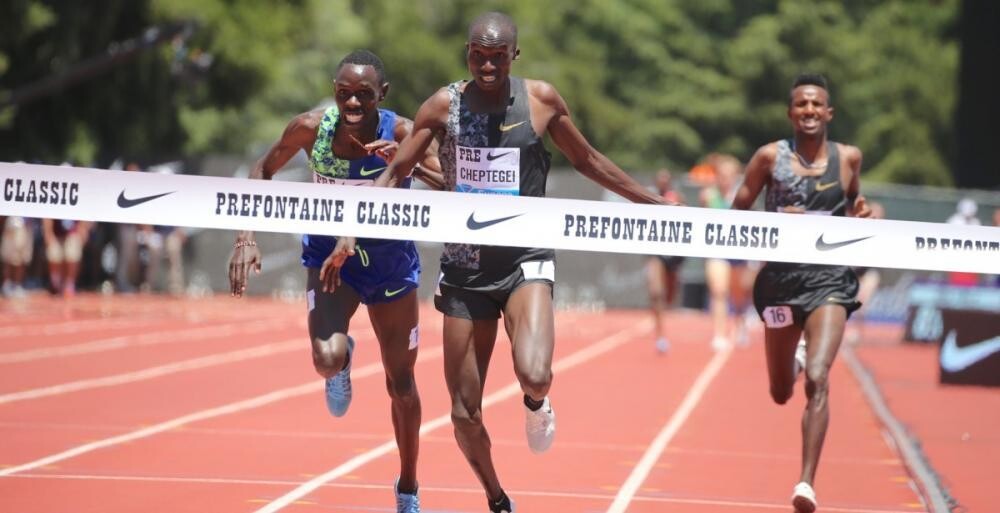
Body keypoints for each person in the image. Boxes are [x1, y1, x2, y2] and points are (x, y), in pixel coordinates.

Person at [358, 12, 672, 512]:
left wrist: (653, 203)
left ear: (514, 56)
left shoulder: (540, 101)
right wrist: (353, 223)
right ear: (467, 53)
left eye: (497, 57)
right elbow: (398, 169)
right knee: (463, 414)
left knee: (535, 373)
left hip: (525, 257)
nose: (487, 65)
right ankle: (497, 498)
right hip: (465, 267)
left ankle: (536, 402)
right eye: (478, 56)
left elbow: (588, 160)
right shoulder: (443, 105)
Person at [227, 49, 441, 513]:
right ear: (334, 92)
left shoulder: (402, 132)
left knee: (402, 384)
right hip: (332, 261)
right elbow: (262, 169)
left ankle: (407, 488)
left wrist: (406, 162)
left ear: (382, 94)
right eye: (344, 93)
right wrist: (246, 236)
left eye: (364, 94)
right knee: (326, 359)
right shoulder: (311, 129)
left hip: (388, 263)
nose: (353, 103)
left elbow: (450, 183)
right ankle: (342, 361)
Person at [731, 73, 872, 513]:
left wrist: (861, 212)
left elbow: (854, 201)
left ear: (829, 112)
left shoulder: (848, 158)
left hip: (829, 280)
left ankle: (806, 483)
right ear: (791, 113)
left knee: (818, 377)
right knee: (781, 391)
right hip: (779, 283)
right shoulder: (769, 157)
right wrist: (775, 224)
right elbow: (737, 211)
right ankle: (793, 358)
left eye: (816, 104)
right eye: (801, 104)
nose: (809, 110)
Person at [700, 154, 755, 350]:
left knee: (739, 295)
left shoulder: (743, 195)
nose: (725, 179)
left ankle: (740, 325)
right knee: (719, 291)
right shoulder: (708, 195)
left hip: (739, 251)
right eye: (722, 175)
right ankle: (719, 334)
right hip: (717, 250)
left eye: (729, 175)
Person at [647, 169, 686, 353]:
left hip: (674, 252)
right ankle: (660, 334)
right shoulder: (647, 197)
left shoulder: (677, 197)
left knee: (670, 296)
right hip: (656, 251)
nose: (663, 182)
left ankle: (664, 325)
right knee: (656, 292)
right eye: (660, 179)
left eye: (666, 179)